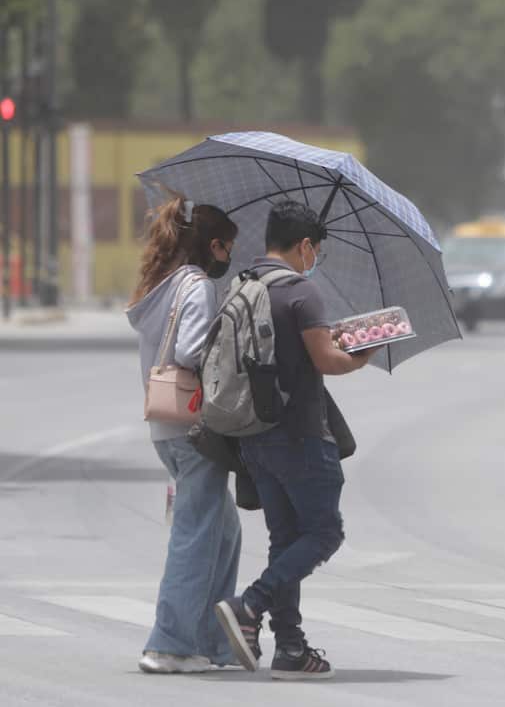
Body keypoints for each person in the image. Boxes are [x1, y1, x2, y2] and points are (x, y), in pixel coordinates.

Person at [214, 201, 373, 680]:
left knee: (285, 541)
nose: (314, 259)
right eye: (315, 250)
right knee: (325, 533)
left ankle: (290, 647)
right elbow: (326, 361)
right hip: (302, 434)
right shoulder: (302, 292)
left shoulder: (243, 285)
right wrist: (361, 355)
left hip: (253, 436)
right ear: (305, 245)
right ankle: (250, 605)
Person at [126, 196, 240, 674]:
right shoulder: (196, 288)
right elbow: (192, 351)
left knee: (224, 532)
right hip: (193, 428)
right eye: (228, 248)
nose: (230, 257)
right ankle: (169, 644)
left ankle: (212, 642)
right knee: (196, 534)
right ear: (213, 246)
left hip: (165, 428)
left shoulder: (163, 282)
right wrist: (231, 335)